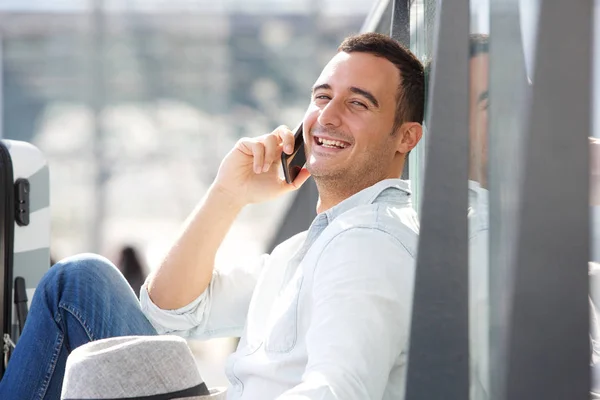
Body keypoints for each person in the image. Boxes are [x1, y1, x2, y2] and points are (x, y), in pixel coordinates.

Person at [0, 32, 424, 400]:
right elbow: (169, 310)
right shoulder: (311, 247)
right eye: (323, 97)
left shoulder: (366, 241)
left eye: (358, 104)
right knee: (81, 282)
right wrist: (228, 193)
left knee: (72, 286)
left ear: (406, 137)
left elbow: (340, 389)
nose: (328, 116)